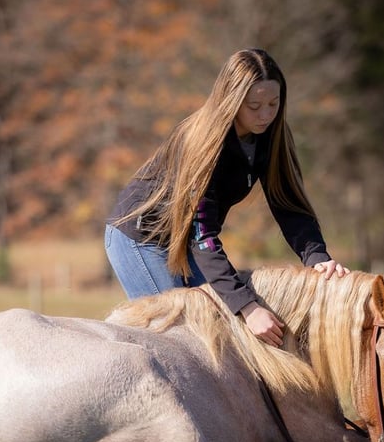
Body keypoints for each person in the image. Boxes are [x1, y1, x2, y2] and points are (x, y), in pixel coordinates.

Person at [105, 48, 349, 347]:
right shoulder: (203, 143)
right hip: (141, 239)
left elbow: (289, 206)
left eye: (274, 103)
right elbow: (203, 236)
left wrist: (317, 259)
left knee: (220, 332)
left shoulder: (271, 137)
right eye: (254, 105)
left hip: (186, 241)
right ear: (231, 101)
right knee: (183, 337)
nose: (265, 115)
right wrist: (248, 307)